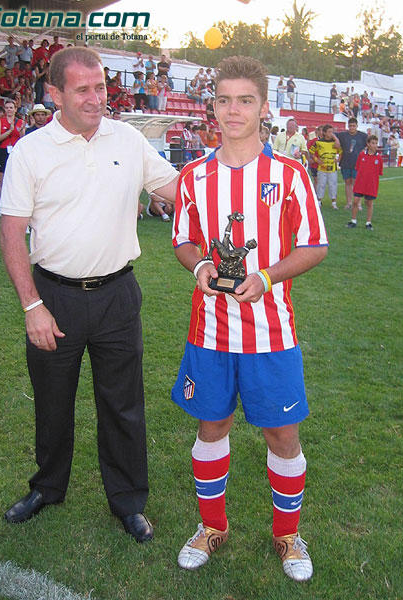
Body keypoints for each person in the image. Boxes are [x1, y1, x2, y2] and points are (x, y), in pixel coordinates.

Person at [0, 47, 178, 542]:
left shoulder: (128, 138)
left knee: (123, 405)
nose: (97, 98)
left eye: (100, 86)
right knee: (52, 403)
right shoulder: (30, 150)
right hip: (53, 298)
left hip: (118, 295)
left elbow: (176, 190)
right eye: (83, 89)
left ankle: (127, 501)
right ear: (54, 94)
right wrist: (32, 306)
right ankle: (47, 487)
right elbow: (12, 232)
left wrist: (230, 184)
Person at [171, 55, 327, 582]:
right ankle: (212, 526)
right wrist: (200, 267)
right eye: (223, 100)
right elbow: (183, 242)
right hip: (209, 331)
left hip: (272, 334)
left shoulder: (289, 174)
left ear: (264, 107)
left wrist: (268, 276)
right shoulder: (193, 176)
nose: (232, 110)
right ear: (211, 106)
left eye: (245, 100)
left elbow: (315, 245)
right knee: (211, 425)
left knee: (283, 436)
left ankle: (288, 535)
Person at [0, 98, 25, 216]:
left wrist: (21, 131)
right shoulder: (0, 121)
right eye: (7, 108)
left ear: (15, 109)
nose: (9, 110)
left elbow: (23, 139)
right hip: (3, 151)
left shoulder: (20, 122)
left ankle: (16, 205)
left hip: (16, 151)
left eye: (11, 108)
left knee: (17, 178)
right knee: (1, 180)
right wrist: (10, 131)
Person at [347, 135, 383, 231]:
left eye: (376, 143)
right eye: (373, 143)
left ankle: (368, 222)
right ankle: (353, 220)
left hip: (371, 184)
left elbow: (379, 172)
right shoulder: (362, 155)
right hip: (360, 183)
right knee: (355, 201)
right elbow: (358, 168)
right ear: (368, 144)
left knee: (369, 203)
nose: (375, 145)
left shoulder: (378, 158)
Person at [336, 117, 367, 210]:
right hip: (345, 162)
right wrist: (337, 141)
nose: (352, 128)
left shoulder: (363, 136)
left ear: (357, 126)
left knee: (356, 183)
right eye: (350, 126)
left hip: (357, 163)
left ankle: (358, 203)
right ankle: (349, 203)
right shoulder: (343, 135)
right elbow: (332, 134)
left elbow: (370, 143)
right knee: (347, 182)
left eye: (353, 126)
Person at [309, 124, 342, 209]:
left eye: (332, 132)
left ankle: (334, 202)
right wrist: (317, 160)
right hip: (322, 167)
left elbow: (341, 151)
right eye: (329, 132)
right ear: (324, 133)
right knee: (321, 184)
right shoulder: (319, 143)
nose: (331, 134)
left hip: (332, 167)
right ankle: (319, 201)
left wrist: (338, 160)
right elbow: (311, 152)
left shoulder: (335, 143)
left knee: (333, 184)